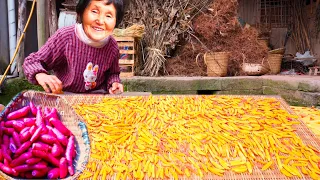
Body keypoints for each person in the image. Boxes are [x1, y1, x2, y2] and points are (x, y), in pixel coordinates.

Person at [23, 0, 124, 94]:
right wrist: (40, 74)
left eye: (109, 16)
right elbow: (33, 61)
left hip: (97, 100)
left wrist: (114, 83)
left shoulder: (112, 46)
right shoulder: (65, 37)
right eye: (94, 11)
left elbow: (113, 73)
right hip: (65, 97)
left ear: (116, 21)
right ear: (81, 12)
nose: (101, 21)